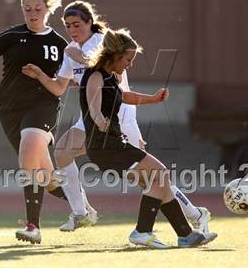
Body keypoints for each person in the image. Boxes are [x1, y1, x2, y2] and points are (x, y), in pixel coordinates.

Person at [22, 1, 214, 234]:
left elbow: (103, 71)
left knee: (149, 179)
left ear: (89, 22)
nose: (72, 30)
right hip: (94, 115)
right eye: (67, 26)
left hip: (118, 116)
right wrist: (41, 75)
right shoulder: (71, 49)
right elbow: (59, 88)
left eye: (77, 24)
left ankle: (194, 213)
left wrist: (79, 57)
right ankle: (82, 213)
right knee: (62, 151)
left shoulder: (102, 41)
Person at [79, 28, 217, 248]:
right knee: (161, 174)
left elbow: (125, 96)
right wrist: (98, 119)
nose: (129, 64)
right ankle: (142, 231)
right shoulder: (95, 74)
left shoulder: (111, 77)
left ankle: (186, 235)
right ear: (115, 54)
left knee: (160, 182)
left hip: (113, 143)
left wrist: (153, 99)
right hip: (106, 146)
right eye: (128, 59)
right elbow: (93, 102)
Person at [0, 0, 70, 244]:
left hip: (44, 106)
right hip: (11, 110)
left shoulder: (60, 43)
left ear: (48, 9)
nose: (33, 14)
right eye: (27, 10)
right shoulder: (12, 36)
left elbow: (65, 80)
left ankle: (33, 226)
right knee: (46, 178)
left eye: (38, 8)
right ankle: (81, 205)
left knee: (29, 150)